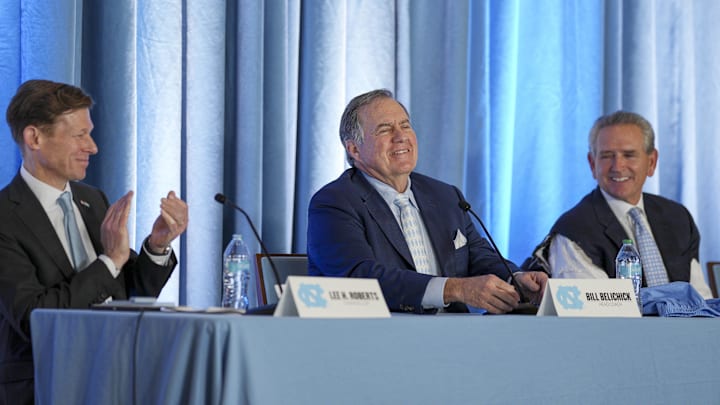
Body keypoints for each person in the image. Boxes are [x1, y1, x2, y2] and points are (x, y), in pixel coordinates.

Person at [0, 79, 189, 404]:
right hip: (44, 385)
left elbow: (128, 294)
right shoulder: (5, 216)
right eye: (79, 135)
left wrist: (156, 246)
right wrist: (109, 262)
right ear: (35, 137)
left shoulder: (92, 200)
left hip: (119, 377)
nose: (93, 147)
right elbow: (33, 317)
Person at [307, 89, 547, 314]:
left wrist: (515, 278)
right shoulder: (334, 203)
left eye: (405, 126)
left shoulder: (445, 196)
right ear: (354, 149)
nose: (401, 137)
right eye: (384, 129)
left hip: (456, 338)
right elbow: (360, 279)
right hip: (379, 338)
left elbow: (479, 257)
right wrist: (455, 289)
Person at [532, 110, 712, 298]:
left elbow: (701, 300)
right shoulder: (573, 230)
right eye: (607, 156)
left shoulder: (678, 217)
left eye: (629, 155)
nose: (618, 167)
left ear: (651, 162)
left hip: (685, 327)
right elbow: (594, 311)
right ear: (592, 164)